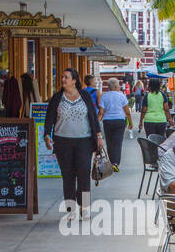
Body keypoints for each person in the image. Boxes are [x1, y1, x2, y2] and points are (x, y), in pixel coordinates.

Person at [43, 67, 104, 217]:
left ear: (74, 80)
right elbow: (49, 117)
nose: (63, 80)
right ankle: (70, 208)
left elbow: (92, 116)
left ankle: (84, 206)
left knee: (83, 173)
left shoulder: (84, 96)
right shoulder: (57, 97)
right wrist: (46, 134)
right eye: (63, 77)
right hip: (62, 142)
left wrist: (99, 136)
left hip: (84, 141)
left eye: (66, 77)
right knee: (68, 176)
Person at [98, 79, 130, 168]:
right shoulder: (122, 96)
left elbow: (101, 112)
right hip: (120, 121)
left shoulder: (104, 96)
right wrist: (130, 123)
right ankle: (115, 163)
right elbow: (127, 111)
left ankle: (111, 161)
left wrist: (97, 122)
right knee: (118, 142)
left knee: (110, 142)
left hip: (107, 121)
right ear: (116, 86)